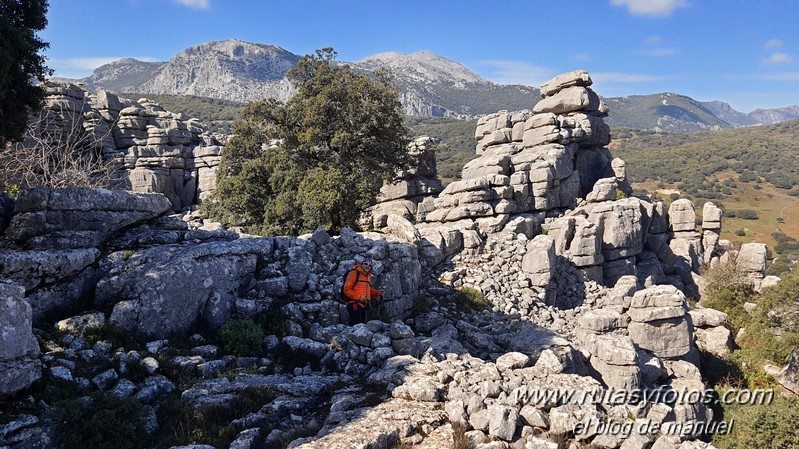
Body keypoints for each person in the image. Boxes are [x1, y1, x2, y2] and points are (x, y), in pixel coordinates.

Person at [342, 258, 384, 325]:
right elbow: (346, 289)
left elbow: (368, 291)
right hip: (354, 305)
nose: (368, 266)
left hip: (363, 306)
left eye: (370, 265)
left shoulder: (368, 276)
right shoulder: (354, 273)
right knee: (357, 327)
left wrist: (377, 293)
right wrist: (359, 297)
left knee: (361, 328)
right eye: (365, 264)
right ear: (361, 264)